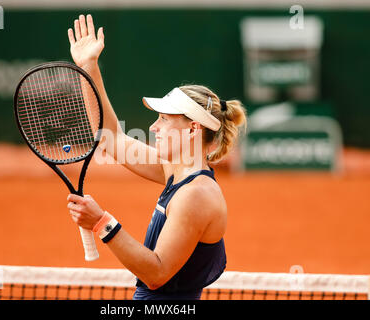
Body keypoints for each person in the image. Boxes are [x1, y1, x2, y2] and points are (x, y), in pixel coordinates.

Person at [66, 14, 247, 300]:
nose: (153, 127)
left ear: (193, 128)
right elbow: (111, 139)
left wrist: (101, 222)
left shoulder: (196, 195)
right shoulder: (176, 172)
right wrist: (89, 68)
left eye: (164, 119)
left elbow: (156, 273)